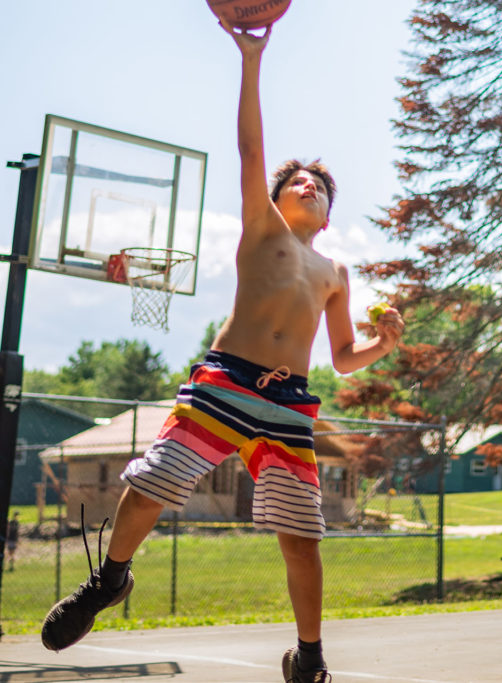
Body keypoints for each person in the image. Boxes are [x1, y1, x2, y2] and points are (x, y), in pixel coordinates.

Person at [41, 21, 404, 683]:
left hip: (289, 401)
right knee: (150, 482)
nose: (308, 187)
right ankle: (109, 580)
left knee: (303, 538)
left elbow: (345, 355)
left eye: (320, 187)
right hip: (225, 382)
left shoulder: (334, 274)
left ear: (328, 214)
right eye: (297, 180)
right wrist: (251, 59)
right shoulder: (262, 227)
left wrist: (385, 342)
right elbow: (250, 148)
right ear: (275, 196)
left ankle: (312, 656)